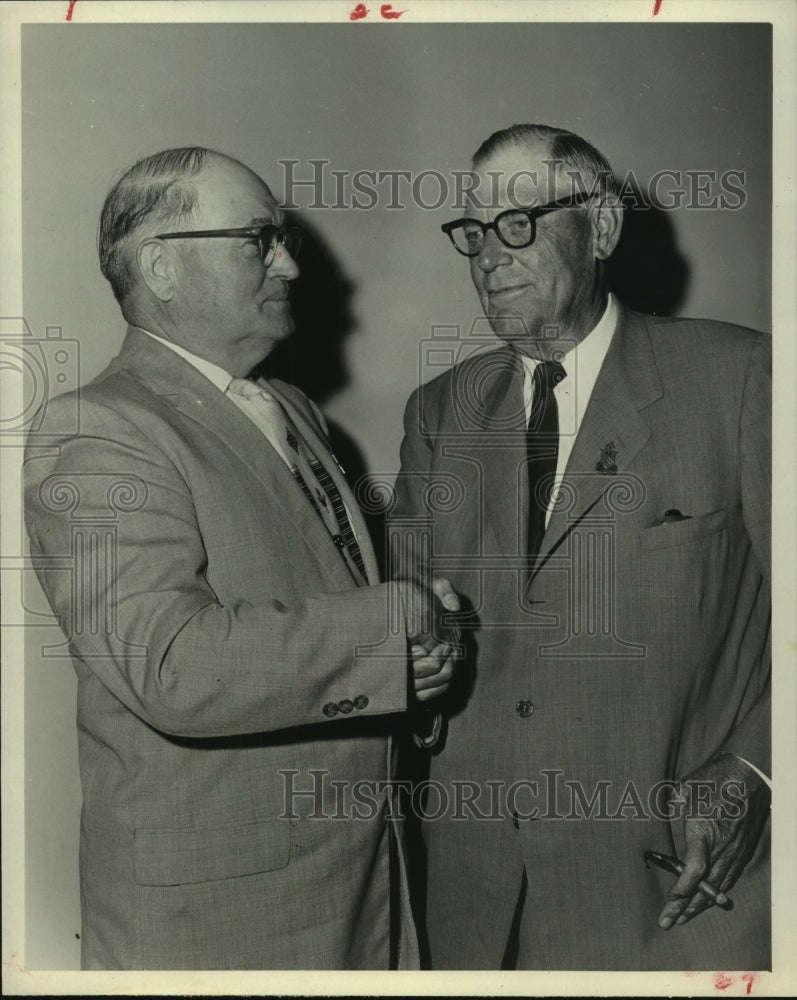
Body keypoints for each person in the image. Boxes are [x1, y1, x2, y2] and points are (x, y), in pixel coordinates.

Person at [23, 146, 459, 971]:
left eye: (282, 237)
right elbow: (173, 665)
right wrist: (395, 620)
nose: (289, 263)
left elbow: (322, 627)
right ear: (160, 266)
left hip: (360, 891)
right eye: (259, 240)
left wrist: (413, 668)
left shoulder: (290, 409)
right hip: (219, 923)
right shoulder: (98, 429)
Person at [391, 124, 771, 970]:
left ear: (599, 228)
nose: (490, 253)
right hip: (478, 908)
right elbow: (409, 642)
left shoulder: (741, 377)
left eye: (519, 223)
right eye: (473, 232)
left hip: (677, 894)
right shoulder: (437, 412)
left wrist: (757, 768)